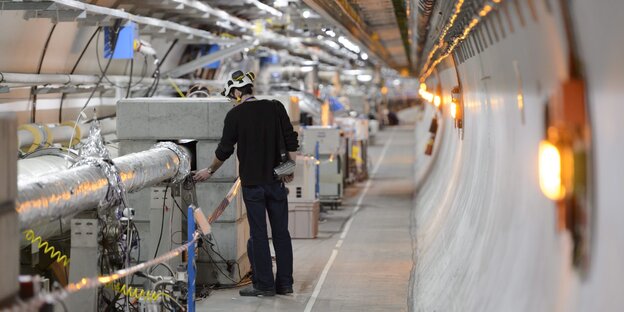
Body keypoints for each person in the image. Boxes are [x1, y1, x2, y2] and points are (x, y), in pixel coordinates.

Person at [193, 70, 299, 297]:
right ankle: (285, 284)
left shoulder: (235, 115)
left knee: (259, 234)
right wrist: (290, 167)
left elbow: (224, 150)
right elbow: (291, 139)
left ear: (239, 90)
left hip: (253, 185)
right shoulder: (275, 107)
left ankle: (264, 284)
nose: (233, 98)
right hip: (276, 181)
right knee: (281, 233)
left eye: (232, 94)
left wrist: (209, 170)